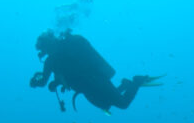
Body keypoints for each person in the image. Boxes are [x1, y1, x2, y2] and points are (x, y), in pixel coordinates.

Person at [29, 29, 162, 114]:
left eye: (44, 47)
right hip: (90, 85)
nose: (44, 51)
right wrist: (56, 82)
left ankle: (136, 82)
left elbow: (44, 82)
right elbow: (60, 75)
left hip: (94, 81)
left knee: (122, 103)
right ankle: (126, 84)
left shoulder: (52, 60)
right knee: (106, 104)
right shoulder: (53, 59)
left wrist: (36, 82)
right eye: (43, 48)